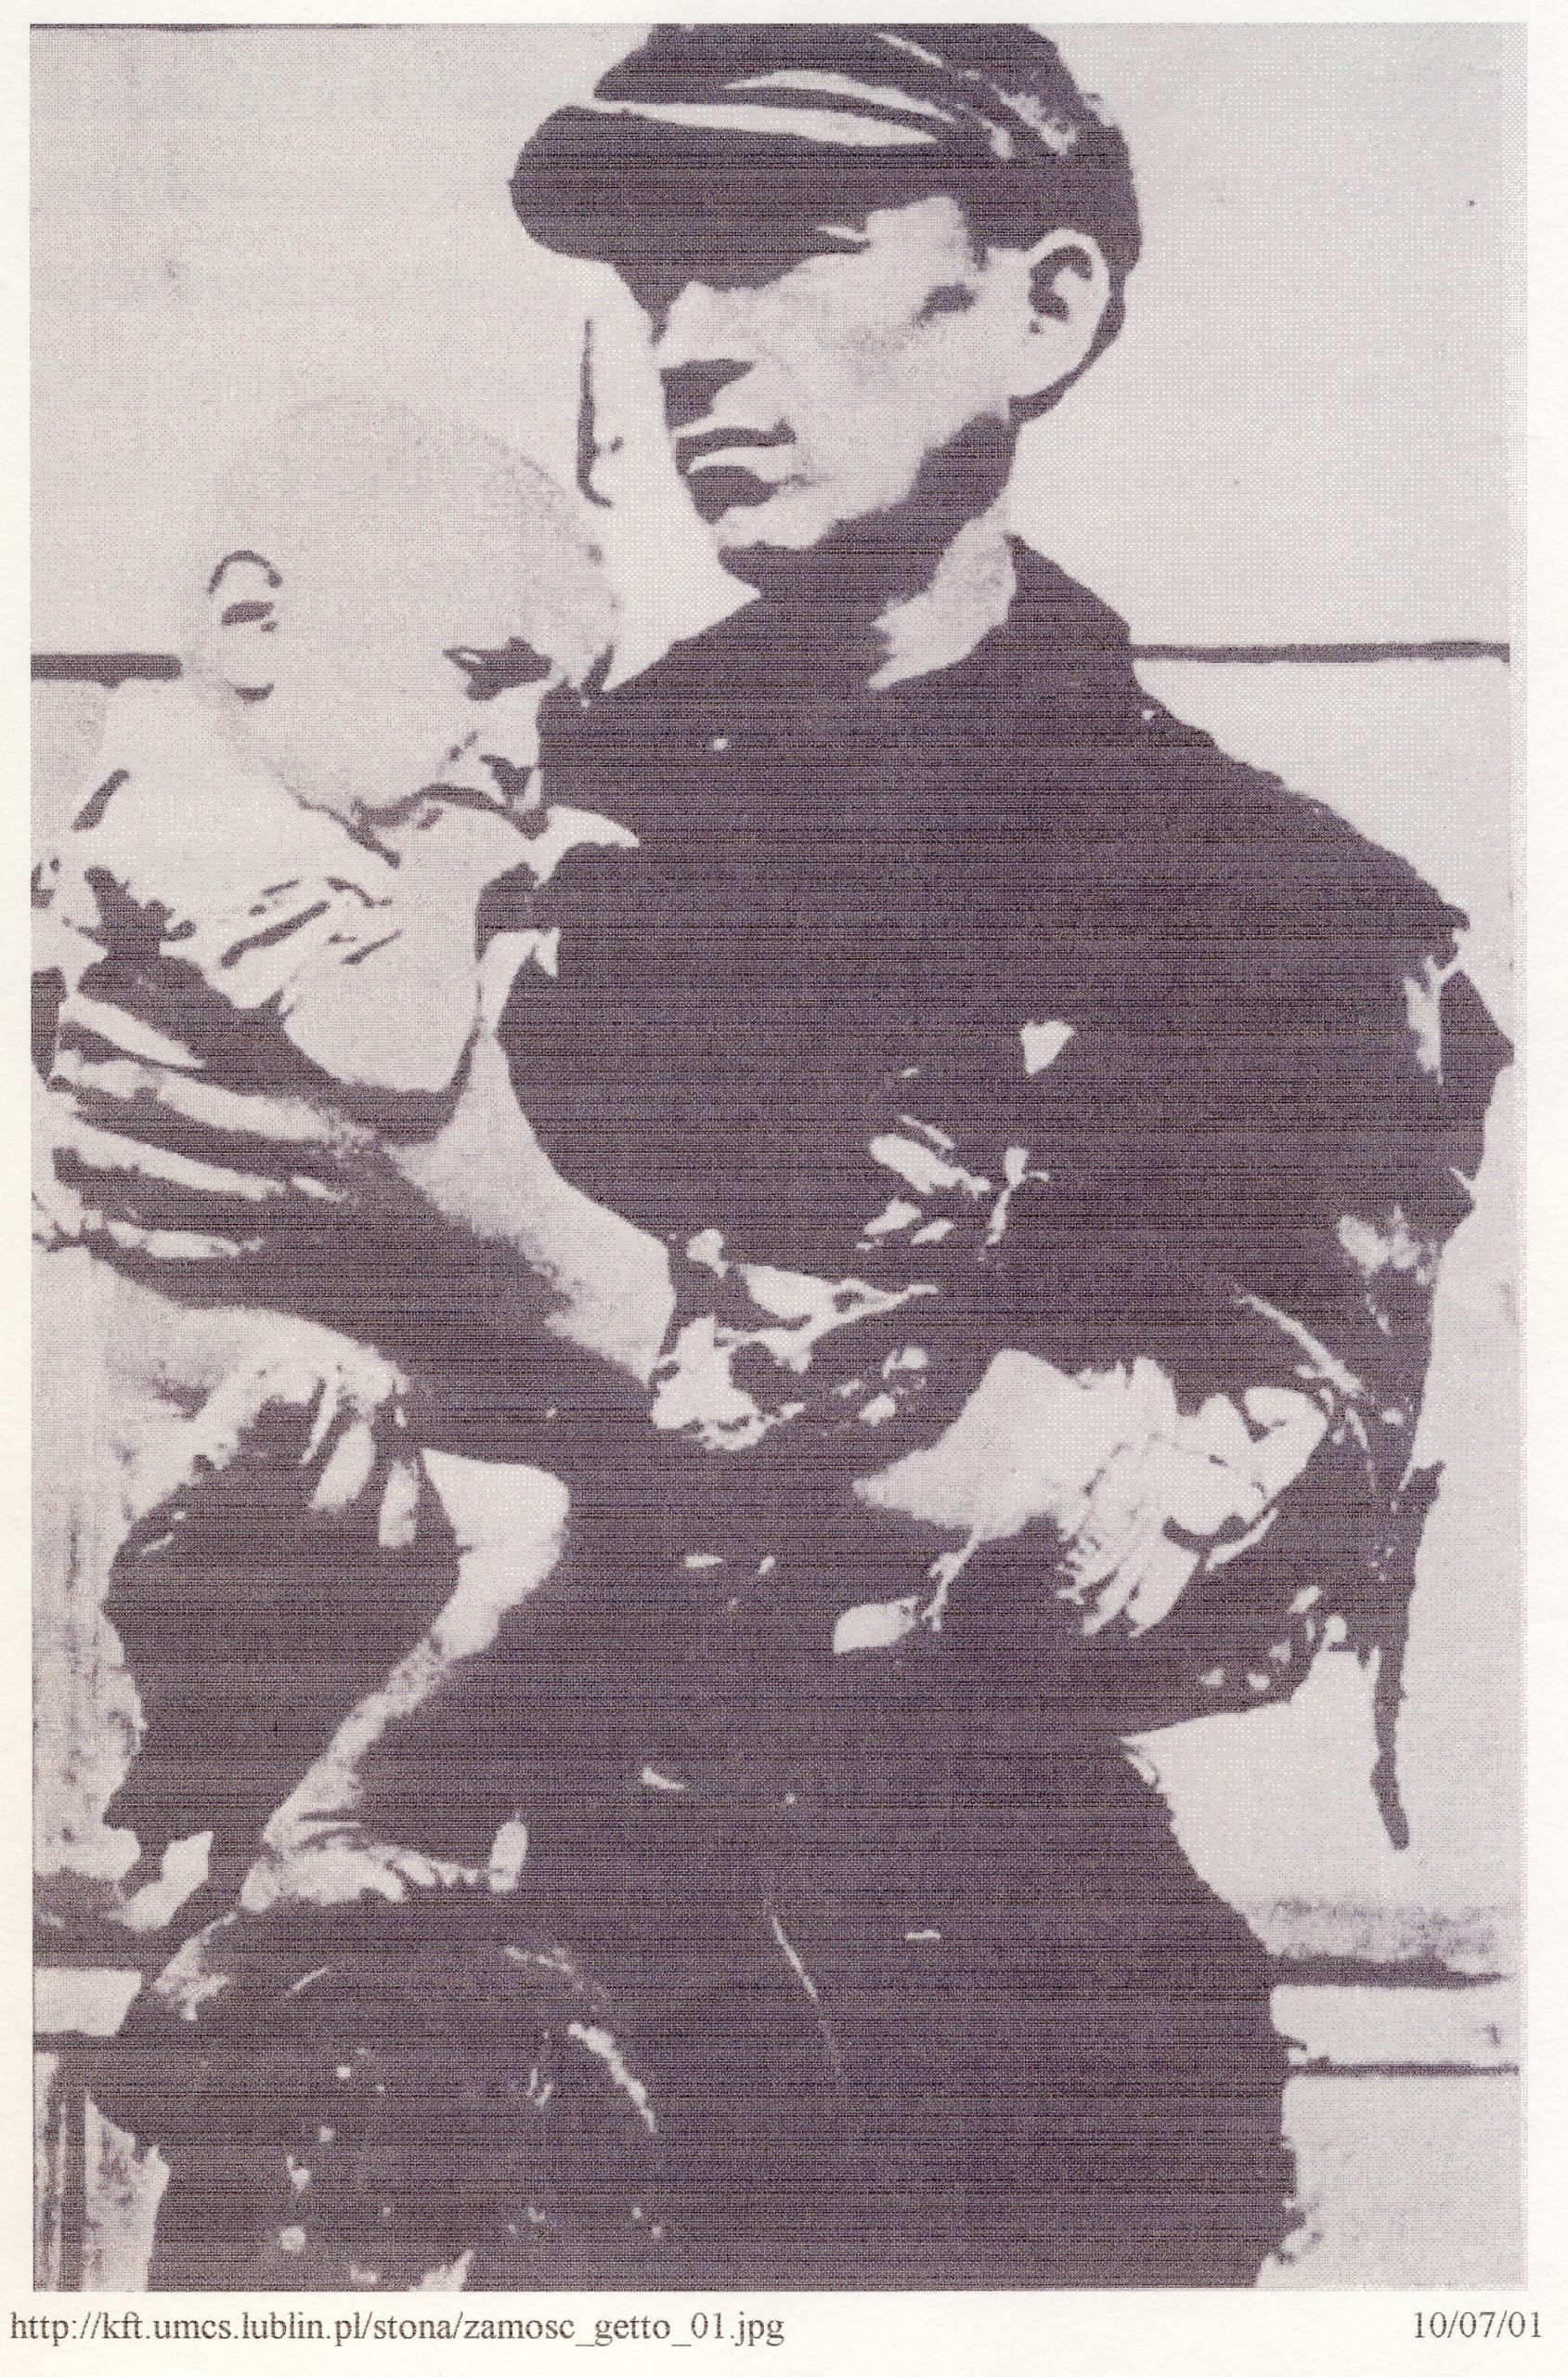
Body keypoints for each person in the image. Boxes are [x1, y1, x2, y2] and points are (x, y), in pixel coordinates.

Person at [45, 25, 1510, 2289]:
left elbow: (1221, 1565)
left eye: (780, 253)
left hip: (973, 2095)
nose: (689, 347)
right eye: (658, 282)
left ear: (1041, 305)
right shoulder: (481, 789)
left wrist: (537, 1252)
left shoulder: (1273, 910)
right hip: (405, 2084)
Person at [34, 396, 627, 1908]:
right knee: (397, 1452)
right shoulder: (200, 821)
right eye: (483, 677)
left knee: (520, 1527)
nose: (519, 752)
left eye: (556, 710)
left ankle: (303, 1820)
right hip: (151, 1343)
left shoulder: (307, 837)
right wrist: (465, 879)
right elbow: (399, 1059)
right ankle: (215, 1820)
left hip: (248, 1340)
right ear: (253, 626)